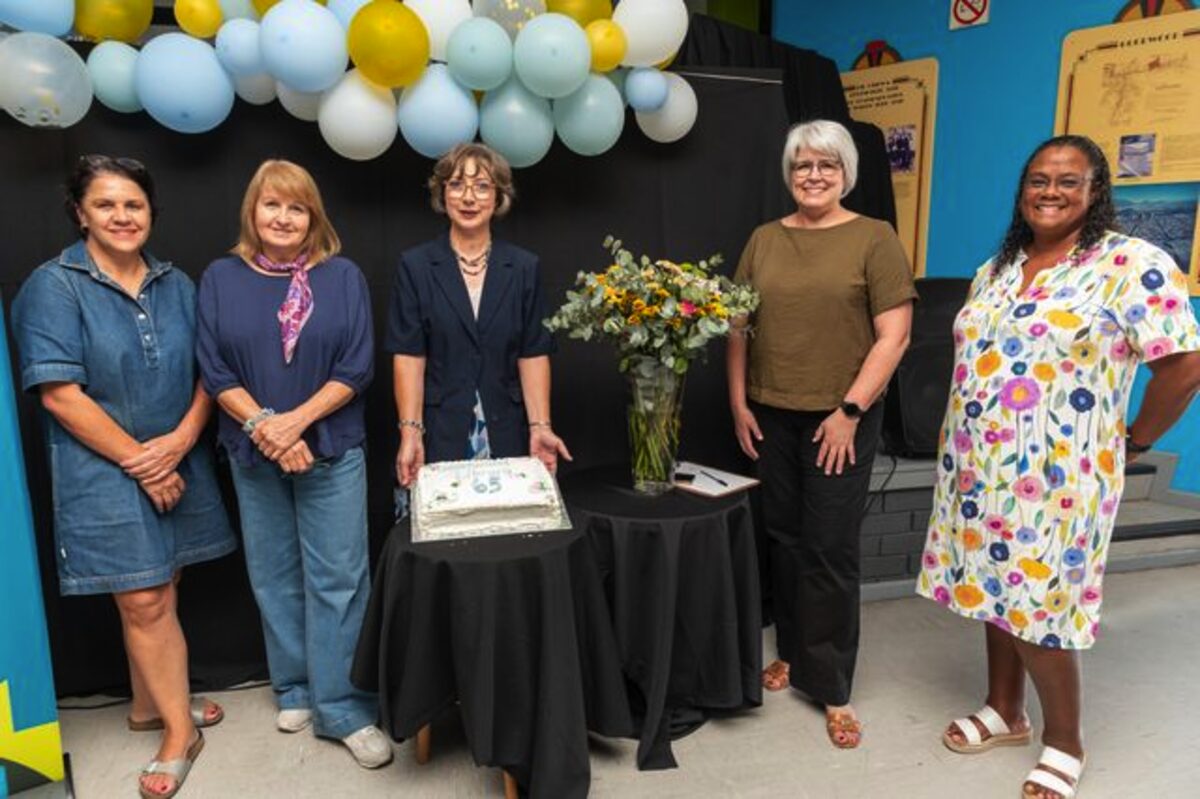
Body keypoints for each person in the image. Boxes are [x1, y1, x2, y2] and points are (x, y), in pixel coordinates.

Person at [918, 134, 1200, 799]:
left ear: (1096, 191)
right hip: (976, 469)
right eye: (1038, 180)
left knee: (1040, 603)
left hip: (1059, 478)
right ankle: (1004, 710)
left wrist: (1135, 440)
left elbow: (1185, 364)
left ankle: (1065, 740)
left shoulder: (1131, 264)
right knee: (992, 587)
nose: (1050, 191)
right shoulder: (998, 268)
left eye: (1069, 180)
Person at [11, 155, 234, 799]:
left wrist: (181, 441)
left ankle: (147, 705)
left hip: (178, 455)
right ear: (80, 213)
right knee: (142, 599)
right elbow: (59, 394)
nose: (122, 216)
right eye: (105, 204)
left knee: (165, 582)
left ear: (150, 212)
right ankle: (178, 734)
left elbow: (210, 374)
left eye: (133, 204)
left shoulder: (178, 284)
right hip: (103, 466)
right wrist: (143, 461)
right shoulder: (54, 286)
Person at [195, 160, 391, 769]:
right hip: (253, 452)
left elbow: (357, 366)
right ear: (252, 212)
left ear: (313, 218)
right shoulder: (221, 278)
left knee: (339, 580)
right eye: (272, 205)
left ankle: (345, 708)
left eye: (296, 208)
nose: (283, 218)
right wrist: (266, 428)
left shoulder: (343, 276)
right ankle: (296, 688)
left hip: (330, 448)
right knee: (274, 575)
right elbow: (214, 369)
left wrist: (293, 423)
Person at [727, 120, 916, 749]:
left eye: (826, 165)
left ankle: (832, 686)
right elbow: (738, 327)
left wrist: (850, 411)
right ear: (790, 173)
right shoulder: (763, 239)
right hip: (770, 414)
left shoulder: (874, 237)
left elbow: (895, 336)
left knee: (829, 548)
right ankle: (791, 652)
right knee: (784, 539)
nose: (813, 176)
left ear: (846, 174)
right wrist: (738, 402)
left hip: (841, 419)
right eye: (803, 165)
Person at [387, 143, 570, 487]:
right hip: (439, 432)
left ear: (498, 196)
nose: (469, 197)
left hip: (509, 430)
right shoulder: (416, 266)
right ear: (443, 193)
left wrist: (541, 426)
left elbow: (533, 353)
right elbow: (409, 356)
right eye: (457, 184)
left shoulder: (524, 267)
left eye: (482, 186)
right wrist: (410, 432)